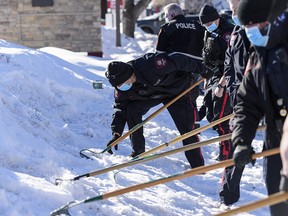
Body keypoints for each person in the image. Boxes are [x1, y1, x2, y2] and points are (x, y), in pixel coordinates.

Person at [105, 52, 212, 168]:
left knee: (187, 129)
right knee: (132, 109)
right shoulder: (121, 89)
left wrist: (203, 69)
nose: (120, 87)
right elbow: (120, 108)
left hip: (177, 90)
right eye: (118, 86)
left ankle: (198, 167)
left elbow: (180, 61)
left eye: (122, 84)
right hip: (152, 95)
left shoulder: (151, 65)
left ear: (129, 75)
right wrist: (116, 132)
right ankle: (138, 151)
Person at [232, 0, 288, 215]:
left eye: (256, 28)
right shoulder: (258, 54)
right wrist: (242, 141)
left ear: (274, 20)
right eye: (247, 29)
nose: (251, 34)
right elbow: (246, 104)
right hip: (275, 139)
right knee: (279, 203)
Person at [218, 0, 251, 206]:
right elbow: (229, 62)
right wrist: (230, 86)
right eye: (231, 9)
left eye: (235, 8)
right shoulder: (237, 30)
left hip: (269, 95)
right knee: (237, 144)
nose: (233, 13)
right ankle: (228, 197)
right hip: (241, 96)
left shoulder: (262, 29)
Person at [156, 3, 206, 128]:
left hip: (177, 67)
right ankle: (195, 125)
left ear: (172, 14)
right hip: (197, 67)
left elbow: (159, 54)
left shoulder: (167, 27)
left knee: (181, 99)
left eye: (167, 15)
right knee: (192, 96)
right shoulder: (198, 26)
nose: (166, 18)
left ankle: (189, 127)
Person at [199, 4, 234, 161]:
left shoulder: (228, 33)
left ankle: (227, 152)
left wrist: (222, 83)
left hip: (225, 78)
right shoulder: (210, 32)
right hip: (214, 77)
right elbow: (208, 56)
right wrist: (207, 78)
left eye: (209, 23)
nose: (207, 27)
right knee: (211, 113)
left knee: (220, 117)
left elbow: (232, 62)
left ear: (216, 19)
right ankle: (229, 143)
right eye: (205, 25)